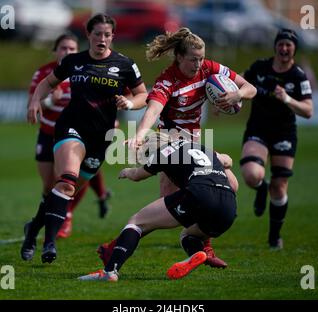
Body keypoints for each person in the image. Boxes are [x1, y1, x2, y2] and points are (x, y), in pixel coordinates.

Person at [108, 27, 255, 268]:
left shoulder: (209, 68)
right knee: (170, 203)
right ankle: (123, 247)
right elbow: (153, 110)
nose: (198, 64)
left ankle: (198, 245)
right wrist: (139, 135)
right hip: (169, 139)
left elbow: (252, 88)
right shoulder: (168, 80)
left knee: (229, 185)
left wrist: (236, 95)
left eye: (200, 58)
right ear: (179, 57)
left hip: (195, 139)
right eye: (192, 59)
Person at [21, 13, 148, 263]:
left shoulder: (125, 64)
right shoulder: (74, 61)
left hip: (100, 139)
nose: (102, 39)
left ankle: (32, 229)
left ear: (113, 36)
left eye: (107, 34)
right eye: (98, 33)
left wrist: (130, 103)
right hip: (70, 128)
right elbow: (47, 83)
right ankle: (49, 243)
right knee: (67, 181)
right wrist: (36, 101)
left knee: (62, 193)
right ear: (88, 35)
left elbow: (143, 94)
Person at [78, 133, 239, 281]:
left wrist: (127, 172)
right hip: (229, 207)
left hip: (200, 193)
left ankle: (109, 272)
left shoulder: (163, 152)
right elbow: (228, 160)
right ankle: (197, 253)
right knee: (189, 235)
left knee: (137, 221)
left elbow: (137, 175)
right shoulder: (199, 147)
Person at [26, 33, 112, 241]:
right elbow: (32, 104)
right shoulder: (45, 73)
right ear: (55, 51)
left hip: (78, 134)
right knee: (49, 186)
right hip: (48, 133)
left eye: (72, 49)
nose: (67, 52)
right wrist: (47, 102)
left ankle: (66, 216)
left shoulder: (84, 68)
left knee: (68, 179)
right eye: (63, 48)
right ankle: (42, 221)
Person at [240, 28, 313, 249]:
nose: (283, 48)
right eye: (280, 44)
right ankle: (262, 188)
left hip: (284, 133)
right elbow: (241, 83)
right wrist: (232, 98)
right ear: (275, 46)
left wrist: (288, 99)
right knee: (252, 175)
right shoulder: (260, 67)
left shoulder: (298, 76)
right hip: (258, 129)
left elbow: (308, 111)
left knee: (280, 187)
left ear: (294, 49)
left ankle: (274, 236)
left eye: (288, 45)